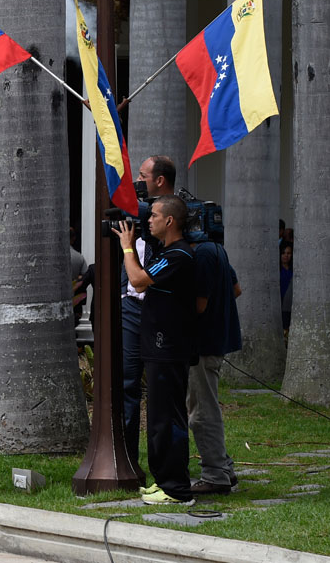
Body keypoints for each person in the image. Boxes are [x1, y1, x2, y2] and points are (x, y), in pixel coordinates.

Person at [114, 195, 198, 505]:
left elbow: (136, 281)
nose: (148, 220)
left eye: (155, 215)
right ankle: (163, 479)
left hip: (168, 348)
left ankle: (176, 488)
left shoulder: (178, 255)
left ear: (170, 221)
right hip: (159, 346)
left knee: (168, 418)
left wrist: (126, 244)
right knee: (159, 417)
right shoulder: (168, 252)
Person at [121, 154, 177, 465]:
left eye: (142, 176)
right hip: (130, 306)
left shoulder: (174, 215)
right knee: (127, 383)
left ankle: (163, 463)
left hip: (157, 309)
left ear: (159, 180)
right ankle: (128, 460)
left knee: (160, 389)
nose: (137, 182)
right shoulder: (137, 213)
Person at [187, 236, 242, 495]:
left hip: (203, 346)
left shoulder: (203, 255)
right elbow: (236, 289)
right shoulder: (217, 250)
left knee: (202, 410)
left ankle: (216, 473)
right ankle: (223, 467)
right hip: (213, 343)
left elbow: (199, 304)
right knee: (204, 406)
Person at [279, 240, 293, 332]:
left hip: (291, 305)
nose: (286, 255)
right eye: (283, 253)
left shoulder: (295, 270)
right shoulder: (277, 270)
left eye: (288, 253)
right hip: (280, 304)